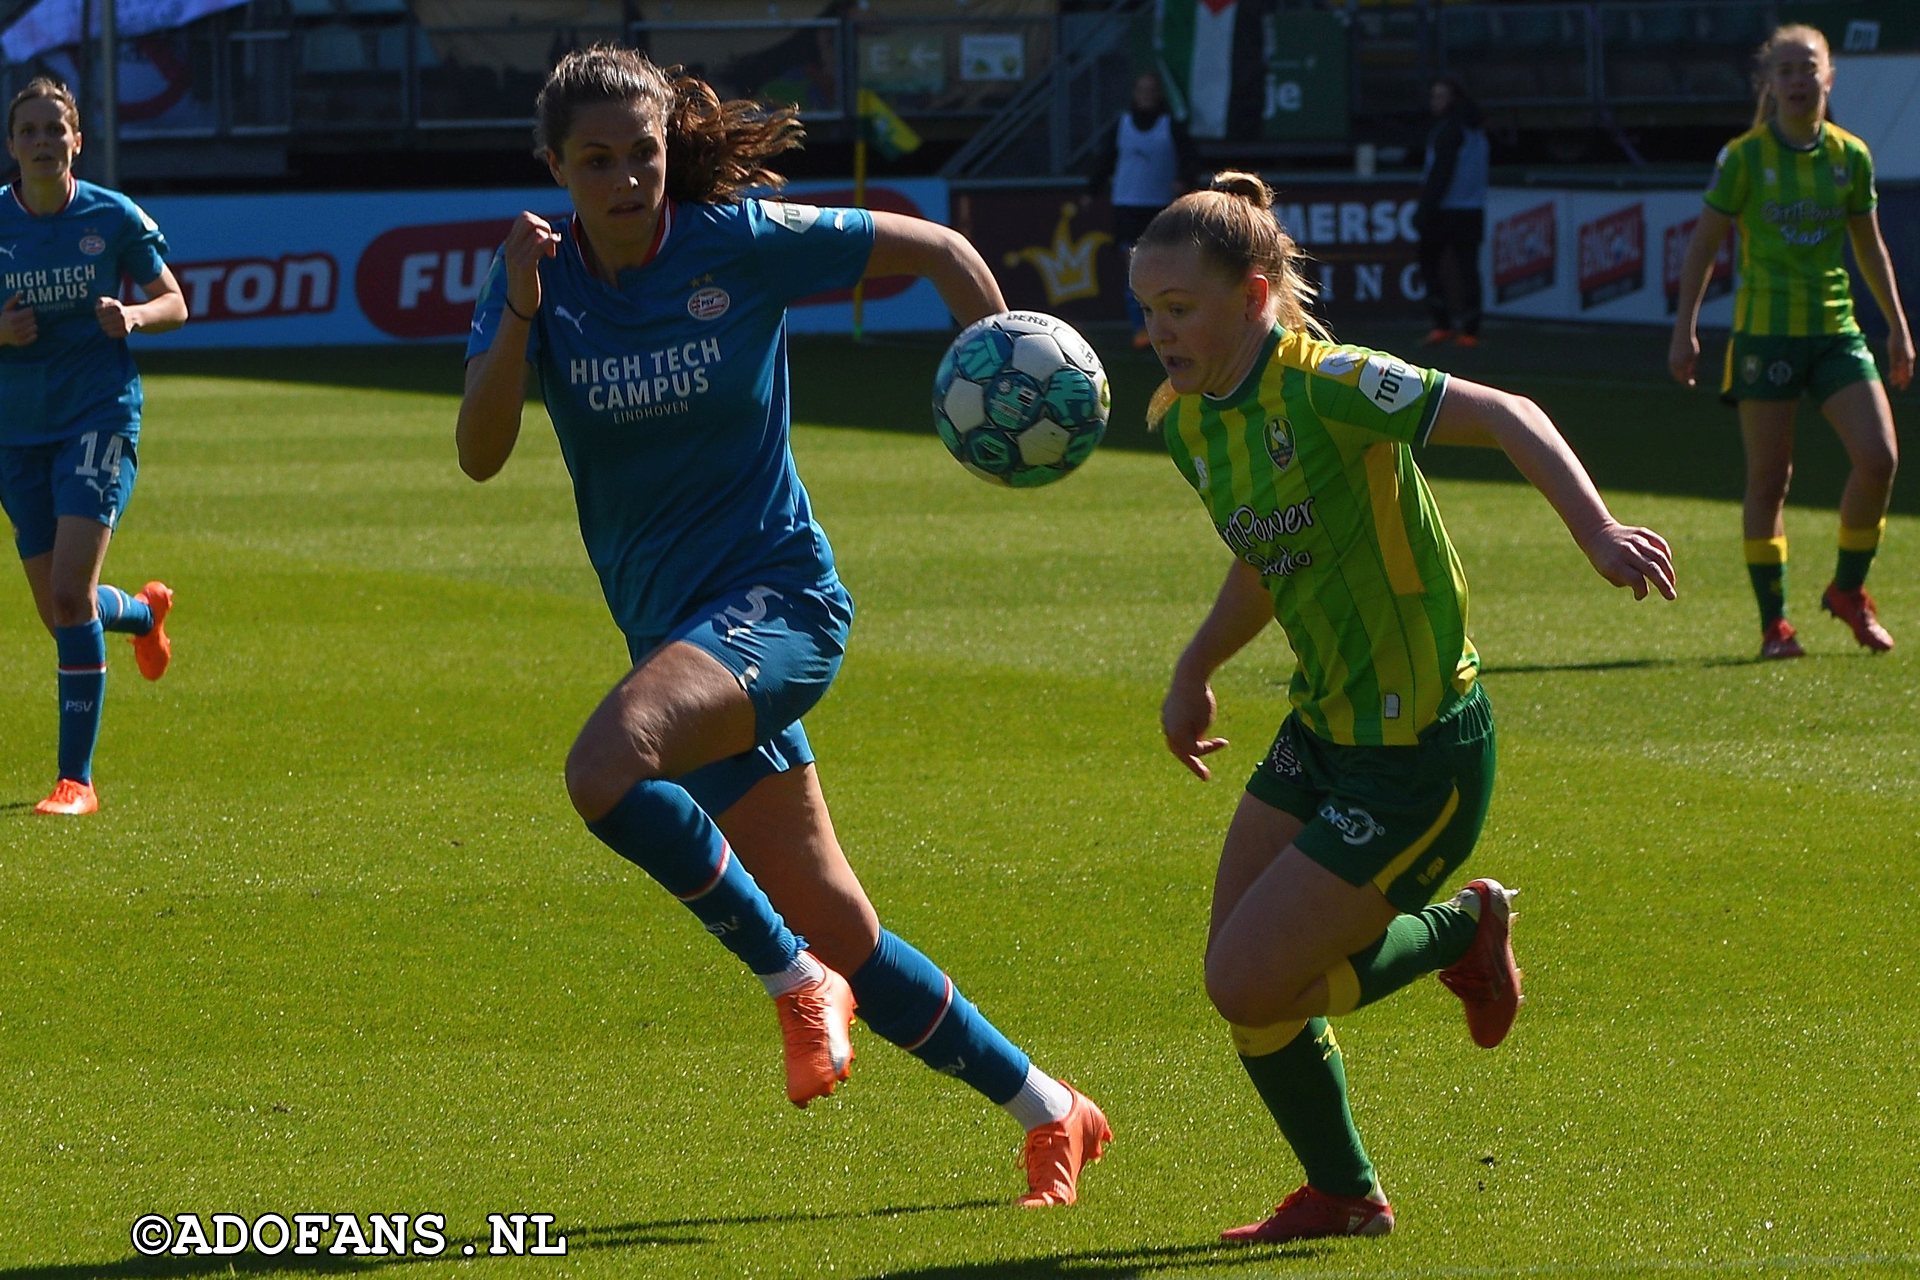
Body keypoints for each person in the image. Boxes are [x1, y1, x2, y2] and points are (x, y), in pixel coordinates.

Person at [455, 44, 1110, 1207]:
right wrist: (515, 306)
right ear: (552, 164)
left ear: (668, 152)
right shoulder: (535, 285)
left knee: (605, 768)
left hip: (779, 603)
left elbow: (947, 253)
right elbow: (481, 450)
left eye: (642, 155)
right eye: (595, 160)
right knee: (848, 925)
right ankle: (1048, 1106)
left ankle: (790, 977)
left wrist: (1006, 371)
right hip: (678, 639)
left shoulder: (739, 239)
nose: (624, 179)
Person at [1131, 171, 1675, 1244]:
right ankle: (1346, 1194)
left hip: (1420, 751)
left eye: (1178, 309)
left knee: (1250, 980)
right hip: (1321, 729)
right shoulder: (1187, 425)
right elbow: (1263, 563)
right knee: (1241, 977)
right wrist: (1194, 667)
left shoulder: (1330, 382)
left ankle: (1464, 927)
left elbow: (1510, 413)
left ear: (1251, 296)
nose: (1156, 332)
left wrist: (1598, 532)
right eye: (1145, 310)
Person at [1669, 23, 1911, 661]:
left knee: (1879, 458)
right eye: (1787, 71)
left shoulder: (1850, 156)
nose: (1799, 81)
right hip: (1766, 336)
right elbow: (1703, 246)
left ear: (1829, 78)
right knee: (1770, 478)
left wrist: (1898, 331)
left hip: (1836, 333)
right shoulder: (1744, 158)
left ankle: (1848, 590)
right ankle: (1775, 625)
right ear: (1769, 84)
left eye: (1809, 69)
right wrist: (1685, 329)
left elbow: (1871, 246)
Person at [1, 77, 185, 816]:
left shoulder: (112, 217)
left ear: (77, 139)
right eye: (29, 131)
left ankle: (75, 781)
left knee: (70, 595)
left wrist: (134, 316)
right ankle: (142, 615)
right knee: (60, 610)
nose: (43, 142)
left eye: (55, 129)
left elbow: (174, 299)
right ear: (12, 146)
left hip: (98, 416)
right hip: (17, 431)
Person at [1086, 71, 1199, 350]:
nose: (1146, 96)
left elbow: (1189, 159)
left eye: (1151, 90)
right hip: (1127, 207)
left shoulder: (1170, 126)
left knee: (1166, 270)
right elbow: (1106, 159)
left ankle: (1172, 326)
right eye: (1141, 90)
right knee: (1134, 270)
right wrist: (1092, 190)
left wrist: (1183, 181)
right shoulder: (1122, 125)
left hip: (1159, 208)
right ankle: (1141, 330)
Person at [1415, 75, 1489, 349]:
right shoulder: (1476, 129)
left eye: (1440, 96)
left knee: (1430, 265)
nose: (1435, 101)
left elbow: (1440, 174)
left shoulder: (1450, 130)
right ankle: (1470, 329)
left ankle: (1444, 324)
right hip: (1473, 209)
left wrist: (1425, 209)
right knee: (1468, 270)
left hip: (1447, 210)